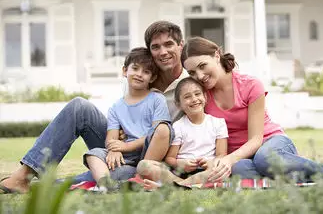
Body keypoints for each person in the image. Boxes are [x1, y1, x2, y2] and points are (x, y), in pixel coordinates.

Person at [0, 20, 188, 194]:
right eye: (156, 47)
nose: (163, 52)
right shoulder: (136, 81)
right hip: (123, 149)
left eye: (169, 44)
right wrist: (115, 146)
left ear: (181, 45)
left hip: (155, 157)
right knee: (79, 106)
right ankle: (22, 177)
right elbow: (122, 121)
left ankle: (46, 186)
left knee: (108, 175)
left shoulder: (191, 84)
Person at [180, 36, 323, 183]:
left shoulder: (250, 85)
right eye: (192, 72)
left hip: (270, 143)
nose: (200, 76)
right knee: (241, 170)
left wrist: (229, 159)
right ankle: (293, 173)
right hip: (240, 156)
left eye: (203, 66)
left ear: (216, 56)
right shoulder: (200, 96)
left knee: (265, 159)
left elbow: (256, 140)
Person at [84, 47, 172, 188]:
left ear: (153, 78)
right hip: (126, 158)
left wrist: (125, 146)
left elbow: (157, 133)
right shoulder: (116, 107)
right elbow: (111, 138)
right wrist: (114, 149)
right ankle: (106, 186)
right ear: (125, 71)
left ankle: (134, 176)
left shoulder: (157, 99)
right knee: (92, 155)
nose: (139, 74)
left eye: (146, 72)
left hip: (149, 154)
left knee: (163, 129)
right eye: (135, 69)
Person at [137, 77, 228, 190]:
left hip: (205, 172)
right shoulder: (178, 126)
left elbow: (221, 155)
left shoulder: (218, 123)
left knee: (219, 170)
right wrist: (181, 164)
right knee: (143, 165)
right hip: (179, 173)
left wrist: (210, 162)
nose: (194, 99)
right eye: (187, 97)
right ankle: (182, 185)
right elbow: (170, 158)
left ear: (205, 97)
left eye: (197, 94)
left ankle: (175, 187)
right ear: (178, 104)